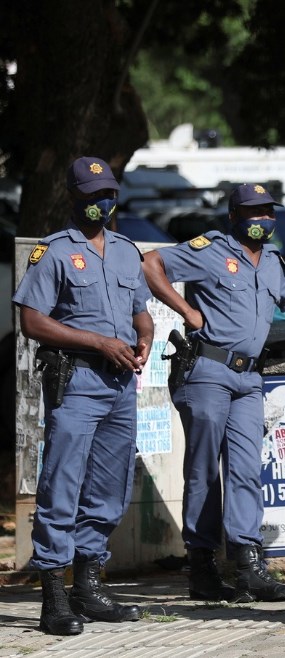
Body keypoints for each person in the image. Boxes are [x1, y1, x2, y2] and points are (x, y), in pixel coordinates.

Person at [142, 183, 285, 603]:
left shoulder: (271, 260)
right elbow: (150, 262)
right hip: (208, 370)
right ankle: (202, 565)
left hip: (249, 378)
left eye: (268, 212)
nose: (263, 220)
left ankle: (249, 565)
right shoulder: (210, 248)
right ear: (234, 216)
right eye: (254, 212)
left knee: (247, 469)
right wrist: (187, 311)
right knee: (203, 470)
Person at [14, 156, 152, 635]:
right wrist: (98, 342)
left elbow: (141, 312)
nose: (102, 202)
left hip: (120, 386)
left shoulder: (125, 251)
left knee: (109, 492)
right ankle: (53, 596)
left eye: (108, 193)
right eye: (93, 195)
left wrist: (144, 338)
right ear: (74, 195)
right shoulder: (52, 252)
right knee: (61, 487)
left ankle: (88, 587)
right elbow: (32, 320)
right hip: (77, 383)